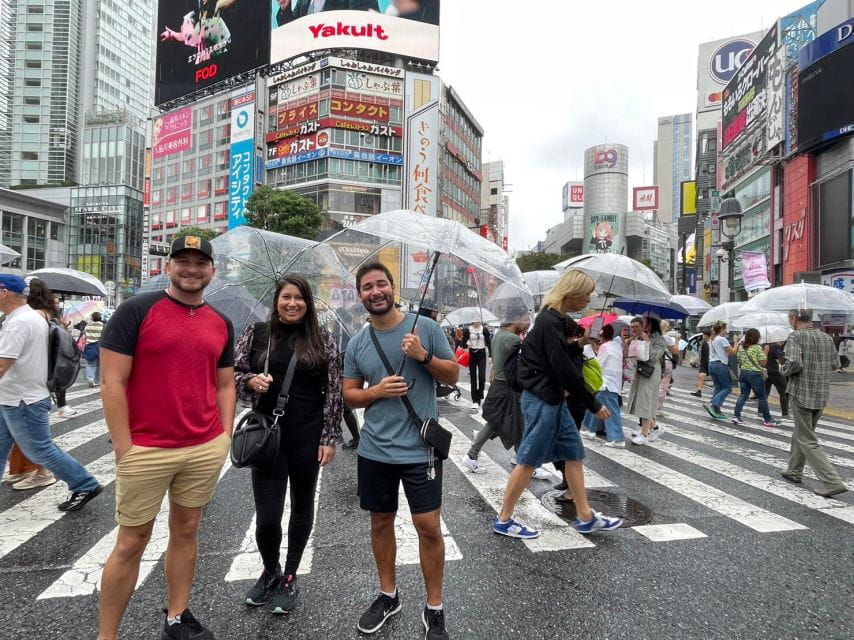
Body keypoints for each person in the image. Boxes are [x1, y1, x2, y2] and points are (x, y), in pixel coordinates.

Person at [97, 236, 236, 640]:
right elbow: (112, 381)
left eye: (200, 262)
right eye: (183, 261)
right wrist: (124, 447)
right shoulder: (135, 310)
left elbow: (225, 384)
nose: (191, 269)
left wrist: (223, 436)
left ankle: (177, 615)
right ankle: (108, 635)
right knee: (131, 541)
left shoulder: (220, 321)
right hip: (147, 447)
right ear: (169, 266)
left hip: (203, 445)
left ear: (212, 270)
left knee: (188, 528)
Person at [343, 262, 457, 639]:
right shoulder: (358, 342)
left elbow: (453, 375)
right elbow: (349, 394)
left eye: (380, 285)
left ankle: (434, 605)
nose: (375, 292)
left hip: (420, 449)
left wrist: (423, 356)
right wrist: (376, 391)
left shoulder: (426, 328)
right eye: (367, 287)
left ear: (393, 288)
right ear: (361, 295)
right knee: (380, 522)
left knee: (428, 527)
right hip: (375, 450)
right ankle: (388, 594)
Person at [233, 275, 343, 614]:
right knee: (267, 517)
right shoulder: (257, 334)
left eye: (299, 298)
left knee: (302, 506)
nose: (292, 303)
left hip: (307, 437)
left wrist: (329, 437)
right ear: (276, 301)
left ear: (308, 303)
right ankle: (270, 571)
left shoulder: (322, 339)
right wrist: (250, 380)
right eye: (286, 297)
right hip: (267, 437)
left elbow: (335, 392)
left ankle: (291, 575)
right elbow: (231, 375)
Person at [493, 269, 623, 539]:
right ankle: (504, 519)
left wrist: (578, 344)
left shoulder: (555, 321)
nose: (589, 299)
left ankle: (585, 516)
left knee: (573, 454)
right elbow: (561, 367)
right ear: (572, 293)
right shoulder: (547, 321)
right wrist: (592, 402)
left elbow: (556, 356)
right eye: (587, 294)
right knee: (529, 459)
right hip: (543, 400)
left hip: (553, 399)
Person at [0, 274, 103, 507]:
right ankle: (83, 483)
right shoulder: (27, 317)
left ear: (4, 293)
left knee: (40, 450)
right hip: (16, 396)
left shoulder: (18, 322)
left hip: (22, 399)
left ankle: (84, 483)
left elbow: (2, 364)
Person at [779, 309, 848, 497]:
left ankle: (832, 481)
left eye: (789, 318)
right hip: (821, 393)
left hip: (801, 392)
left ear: (794, 319)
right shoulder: (826, 337)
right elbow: (835, 364)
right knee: (802, 433)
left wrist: (782, 369)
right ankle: (794, 470)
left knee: (807, 439)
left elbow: (794, 363)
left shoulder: (795, 336)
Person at [461, 309, 532, 473]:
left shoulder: (499, 334)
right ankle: (472, 455)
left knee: (515, 423)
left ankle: (521, 459)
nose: (528, 323)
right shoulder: (513, 339)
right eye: (526, 319)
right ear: (518, 318)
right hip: (508, 388)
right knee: (503, 423)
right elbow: (523, 364)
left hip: (499, 384)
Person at [27, 279, 77, 417]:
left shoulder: (34, 316)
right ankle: (61, 405)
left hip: (32, 380)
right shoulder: (40, 316)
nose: (56, 305)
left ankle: (61, 405)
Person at [581, 324, 625, 447]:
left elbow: (597, 365)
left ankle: (618, 438)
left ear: (602, 334)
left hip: (607, 383)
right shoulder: (616, 345)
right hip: (614, 382)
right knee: (596, 405)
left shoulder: (604, 347)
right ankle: (590, 430)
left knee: (612, 410)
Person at [627, 314, 667, 445]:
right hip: (640, 370)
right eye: (643, 323)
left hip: (651, 371)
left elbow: (653, 357)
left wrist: (647, 343)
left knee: (646, 401)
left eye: (646, 323)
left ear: (652, 324)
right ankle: (655, 427)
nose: (643, 325)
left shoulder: (660, 339)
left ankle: (645, 434)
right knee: (640, 400)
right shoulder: (641, 336)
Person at [732, 328, 780, 428]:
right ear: (756, 337)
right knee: (762, 397)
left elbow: (739, 359)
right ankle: (768, 420)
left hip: (744, 373)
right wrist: (766, 351)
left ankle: (736, 416)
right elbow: (763, 363)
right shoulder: (757, 348)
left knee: (743, 395)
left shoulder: (741, 347)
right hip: (755, 375)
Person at [704, 321, 735, 420]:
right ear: (721, 329)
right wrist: (737, 343)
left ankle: (716, 409)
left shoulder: (712, 339)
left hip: (712, 364)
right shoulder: (722, 339)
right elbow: (732, 352)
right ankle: (712, 403)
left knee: (718, 387)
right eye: (726, 329)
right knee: (727, 387)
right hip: (720, 365)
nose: (727, 331)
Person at [465, 320, 491, 407]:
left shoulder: (484, 329)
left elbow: (489, 342)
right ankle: (475, 400)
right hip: (472, 354)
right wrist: (468, 344)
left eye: (478, 318)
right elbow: (463, 342)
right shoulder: (468, 329)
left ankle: (480, 395)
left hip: (481, 353)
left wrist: (491, 355)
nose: (477, 320)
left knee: (482, 377)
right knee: (473, 377)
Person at [657, 320, 679, 416]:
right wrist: (677, 341)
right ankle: (658, 408)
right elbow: (675, 351)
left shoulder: (654, 337)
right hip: (666, 362)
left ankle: (652, 406)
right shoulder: (666, 337)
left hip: (656, 361)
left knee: (655, 384)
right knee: (664, 385)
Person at [765, 339, 789, 419]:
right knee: (783, 392)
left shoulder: (763, 346)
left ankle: (761, 411)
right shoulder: (775, 346)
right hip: (775, 372)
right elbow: (780, 359)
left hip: (765, 372)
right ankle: (785, 413)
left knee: (765, 393)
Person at [84, 311, 105, 387]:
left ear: (92, 318)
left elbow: (85, 336)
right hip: (100, 346)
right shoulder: (103, 326)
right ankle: (97, 380)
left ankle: (90, 378)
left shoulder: (87, 326)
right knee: (100, 364)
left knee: (90, 364)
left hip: (90, 345)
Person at [690, 329, 712, 398]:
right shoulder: (704, 343)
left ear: (706, 335)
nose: (702, 336)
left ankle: (716, 393)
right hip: (704, 362)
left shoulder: (712, 343)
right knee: (701, 377)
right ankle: (699, 391)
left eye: (703, 335)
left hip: (711, 362)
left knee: (715, 378)